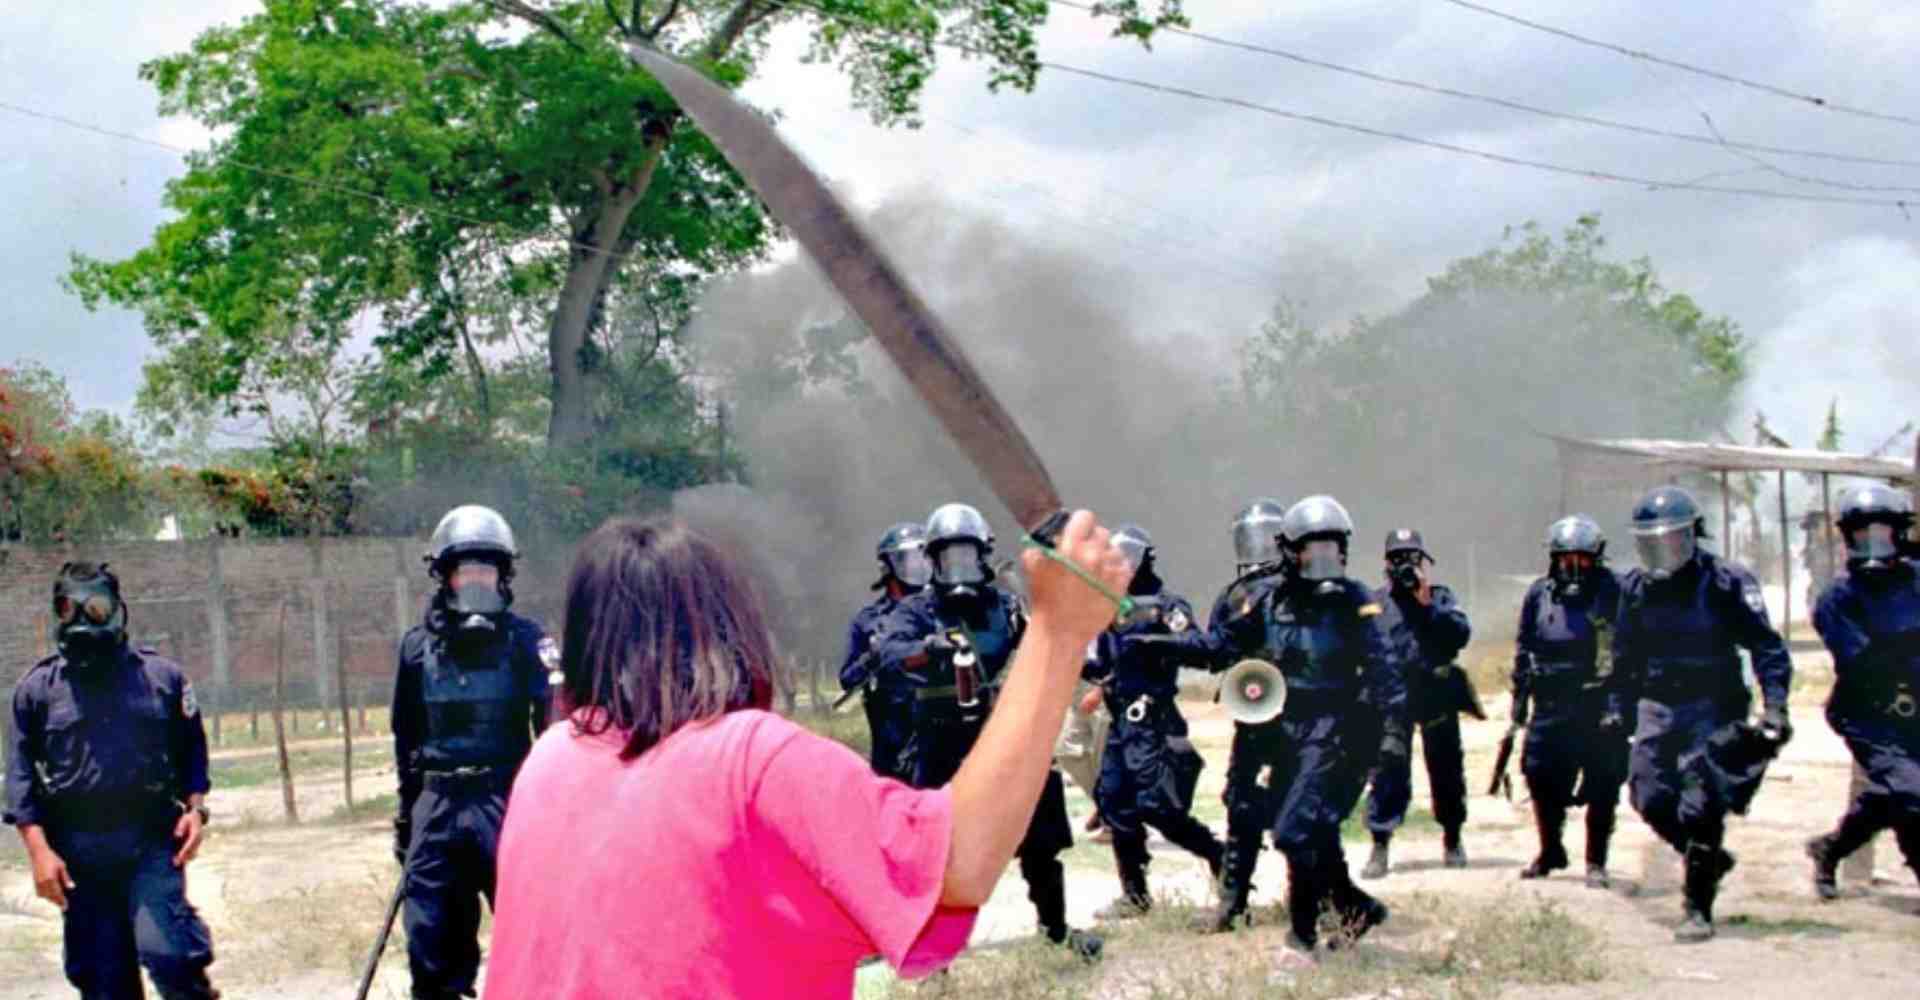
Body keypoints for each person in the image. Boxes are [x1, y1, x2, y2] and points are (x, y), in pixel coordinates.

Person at [480, 510, 1133, 998]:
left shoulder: (550, 763)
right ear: (731, 623)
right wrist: (1059, 631)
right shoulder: (754, 761)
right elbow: (953, 867)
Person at [871, 503, 1104, 959]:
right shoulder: (918, 610)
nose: (958, 565)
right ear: (931, 560)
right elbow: (889, 655)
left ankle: (1055, 930)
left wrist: (1083, 648)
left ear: (983, 556)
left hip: (1002, 731)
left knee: (1040, 834)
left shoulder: (1005, 606)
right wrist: (928, 648)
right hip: (942, 741)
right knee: (934, 850)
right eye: (947, 556)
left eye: (966, 554)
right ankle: (930, 952)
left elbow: (1044, 639)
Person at [1202, 496, 1405, 961]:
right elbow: (1218, 647)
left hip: (1336, 733)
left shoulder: (1356, 600)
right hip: (1278, 731)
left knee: (1296, 831)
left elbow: (1385, 671)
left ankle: (1302, 936)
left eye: (1331, 547)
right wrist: (1158, 643)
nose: (1321, 558)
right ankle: (1356, 909)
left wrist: (1392, 737)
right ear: (1290, 550)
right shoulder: (1266, 600)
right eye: (1311, 548)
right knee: (1308, 829)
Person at [5, 561, 219, 999]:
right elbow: (20, 777)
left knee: (170, 955)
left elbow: (192, 753)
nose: (83, 620)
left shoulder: (163, 679)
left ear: (118, 610)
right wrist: (39, 852)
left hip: (151, 843)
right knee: (104, 985)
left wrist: (196, 810)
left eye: (96, 608)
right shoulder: (36, 691)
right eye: (69, 608)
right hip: (80, 856)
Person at [1614, 485, 1793, 942]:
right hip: (1658, 703)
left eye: (1671, 541)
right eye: (1652, 544)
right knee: (1648, 795)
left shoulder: (1726, 581)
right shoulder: (1634, 589)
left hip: (1715, 702)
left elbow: (1766, 647)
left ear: (1693, 537)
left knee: (1700, 802)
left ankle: (1698, 908)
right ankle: (1710, 859)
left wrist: (1775, 706)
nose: (1662, 553)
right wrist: (1617, 710)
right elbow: (1625, 657)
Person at [391, 505, 552, 999]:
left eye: (487, 570)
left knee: (532, 936)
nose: (477, 581)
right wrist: (407, 818)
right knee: (430, 941)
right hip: (437, 804)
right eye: (467, 571)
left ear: (504, 577)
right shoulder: (417, 649)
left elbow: (555, 735)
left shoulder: (530, 643)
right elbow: (407, 738)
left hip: (506, 802)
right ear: (445, 577)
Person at [1082, 524, 1223, 918]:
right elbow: (1101, 664)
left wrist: (1159, 643)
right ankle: (1135, 895)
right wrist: (1077, 663)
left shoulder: (1166, 606)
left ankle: (1219, 855)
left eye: (1128, 557)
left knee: (1159, 807)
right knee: (1114, 803)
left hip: (1156, 719)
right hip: (1121, 722)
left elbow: (1202, 648)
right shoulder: (1108, 607)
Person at [1805, 484, 1920, 897]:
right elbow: (1863, 662)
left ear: (1900, 534)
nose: (1873, 543)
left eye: (1882, 533)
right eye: (1862, 534)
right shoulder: (1836, 599)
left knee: (1893, 794)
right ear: (1847, 537)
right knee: (1911, 791)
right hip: (1868, 712)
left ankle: (1830, 849)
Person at [1511, 515, 1630, 888]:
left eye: (1583, 559)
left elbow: (1628, 652)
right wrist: (1519, 700)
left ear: (1596, 559)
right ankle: (1551, 849)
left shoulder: (1614, 592)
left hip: (1598, 700)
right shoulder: (1538, 594)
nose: (1574, 567)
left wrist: (1619, 704)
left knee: (1603, 781)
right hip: (1550, 702)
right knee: (1538, 773)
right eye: (1566, 559)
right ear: (1554, 559)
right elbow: (1524, 647)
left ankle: (1596, 861)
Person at [1192, 497, 1292, 933]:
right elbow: (1215, 653)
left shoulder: (1300, 590)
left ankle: (1319, 896)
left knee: (1300, 808)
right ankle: (1233, 902)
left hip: (1299, 714)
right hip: (1253, 712)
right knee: (1242, 803)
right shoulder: (1234, 597)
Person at [1361, 528, 1475, 877]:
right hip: (1393, 699)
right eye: (1397, 559)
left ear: (1424, 562)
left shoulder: (1440, 598)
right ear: (1385, 563)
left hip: (1435, 696)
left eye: (1411, 558)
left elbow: (1461, 634)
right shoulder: (1373, 604)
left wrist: (1428, 608)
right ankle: (1380, 844)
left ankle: (1452, 837)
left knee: (1447, 769)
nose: (1404, 566)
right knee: (1388, 768)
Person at [838, 521, 932, 780]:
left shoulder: (943, 611)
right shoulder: (869, 620)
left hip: (940, 736)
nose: (918, 567)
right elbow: (847, 678)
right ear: (888, 566)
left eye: (923, 557)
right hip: (893, 740)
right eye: (909, 560)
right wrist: (875, 654)